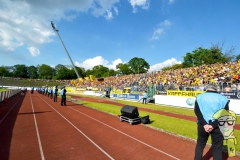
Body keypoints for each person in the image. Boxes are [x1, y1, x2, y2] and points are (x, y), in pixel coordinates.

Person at [194, 84, 230, 160]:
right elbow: (225, 114)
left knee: (200, 144)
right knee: (217, 148)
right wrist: (213, 125)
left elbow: (197, 111)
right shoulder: (223, 98)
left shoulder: (199, 97)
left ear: (207, 89)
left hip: (202, 124)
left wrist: (204, 124)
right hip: (218, 125)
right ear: (215, 89)